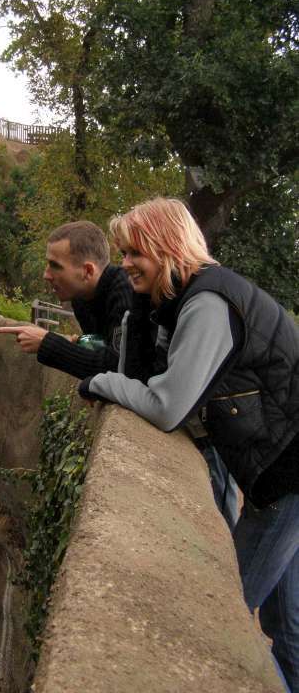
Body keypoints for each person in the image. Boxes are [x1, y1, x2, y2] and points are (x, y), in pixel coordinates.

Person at [78, 197, 299, 693]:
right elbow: (144, 371)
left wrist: (98, 383)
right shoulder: (184, 299)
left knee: (226, 618)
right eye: (123, 252)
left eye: (135, 253)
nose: (125, 263)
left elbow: (166, 406)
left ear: (167, 247)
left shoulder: (207, 303)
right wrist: (140, 307)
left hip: (285, 476)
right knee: (284, 623)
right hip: (279, 466)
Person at [0, 220, 132, 379]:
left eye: (55, 266)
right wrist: (74, 342)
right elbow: (99, 346)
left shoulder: (126, 291)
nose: (46, 275)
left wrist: (47, 343)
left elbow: (118, 366)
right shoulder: (80, 298)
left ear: (87, 271)